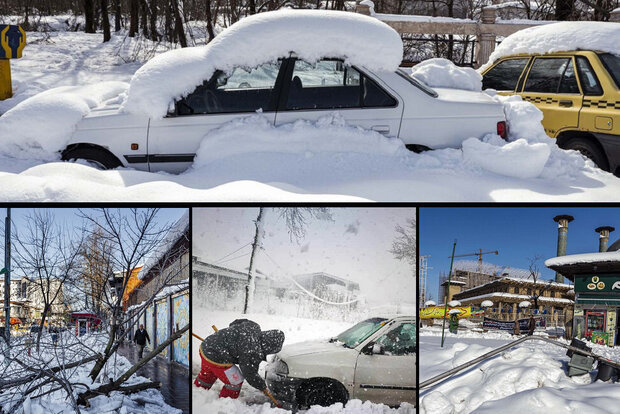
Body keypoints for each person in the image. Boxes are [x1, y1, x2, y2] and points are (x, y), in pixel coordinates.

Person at [195, 319, 284, 402]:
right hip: (216, 357)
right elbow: (249, 373)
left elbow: (235, 322)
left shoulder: (253, 326)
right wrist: (262, 386)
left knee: (207, 376)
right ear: (269, 347)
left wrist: (232, 337)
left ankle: (197, 393)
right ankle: (225, 404)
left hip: (206, 346)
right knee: (235, 381)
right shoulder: (253, 350)